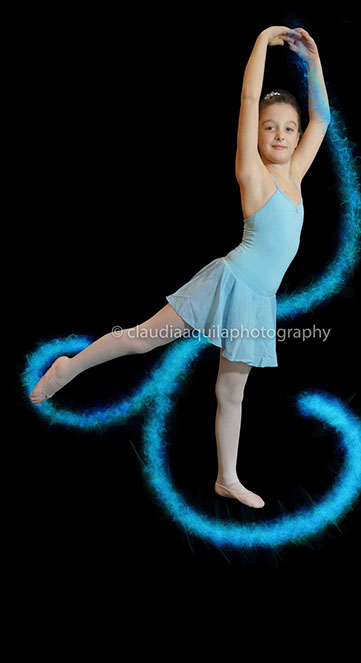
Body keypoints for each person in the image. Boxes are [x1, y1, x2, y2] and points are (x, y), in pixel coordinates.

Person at [30, 26, 330, 509]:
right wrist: (261, 40)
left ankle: (226, 478)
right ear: (256, 133)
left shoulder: (295, 175)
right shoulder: (251, 173)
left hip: (258, 301)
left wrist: (312, 61)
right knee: (140, 339)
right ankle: (70, 367)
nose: (280, 135)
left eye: (289, 129)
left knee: (231, 391)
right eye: (270, 126)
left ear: (297, 138)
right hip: (228, 283)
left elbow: (323, 117)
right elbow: (248, 96)